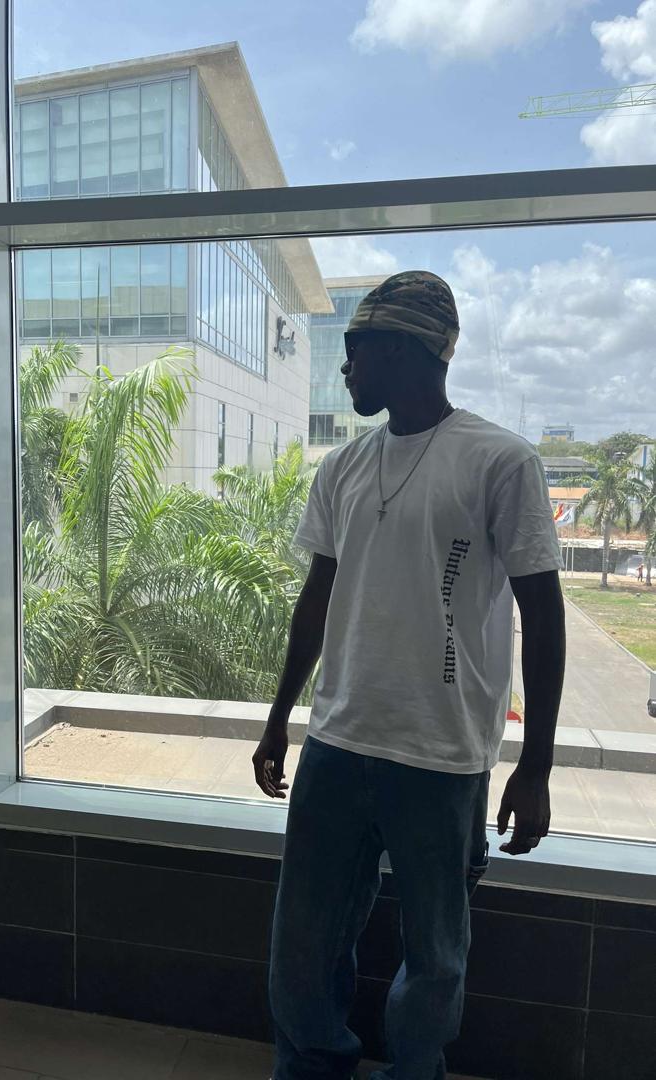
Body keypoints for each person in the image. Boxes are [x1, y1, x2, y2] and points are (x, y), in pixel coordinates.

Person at [253, 271, 566, 1080]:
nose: (344, 369)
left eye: (354, 350)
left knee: (435, 962)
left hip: (442, 758)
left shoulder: (500, 461)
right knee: (302, 948)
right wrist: (279, 717)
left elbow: (544, 616)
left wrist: (536, 766)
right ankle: (312, 1068)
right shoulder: (343, 467)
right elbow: (316, 601)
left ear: (400, 348)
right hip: (337, 744)